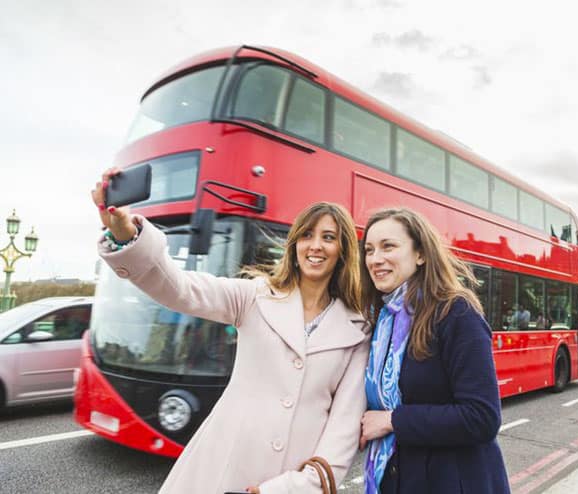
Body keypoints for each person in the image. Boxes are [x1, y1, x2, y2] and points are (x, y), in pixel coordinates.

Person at [91, 170, 370, 493]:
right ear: (294, 244)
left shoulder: (357, 330)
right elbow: (180, 288)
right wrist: (126, 234)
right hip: (221, 469)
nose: (315, 246)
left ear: (344, 250)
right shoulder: (253, 296)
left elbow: (343, 431)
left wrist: (292, 488)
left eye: (328, 237)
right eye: (306, 235)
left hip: (291, 481)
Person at [357, 208, 510, 494]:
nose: (375, 259)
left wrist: (392, 420)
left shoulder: (456, 313)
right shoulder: (383, 321)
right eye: (369, 250)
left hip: (453, 481)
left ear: (420, 254)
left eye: (388, 246)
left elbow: (482, 417)